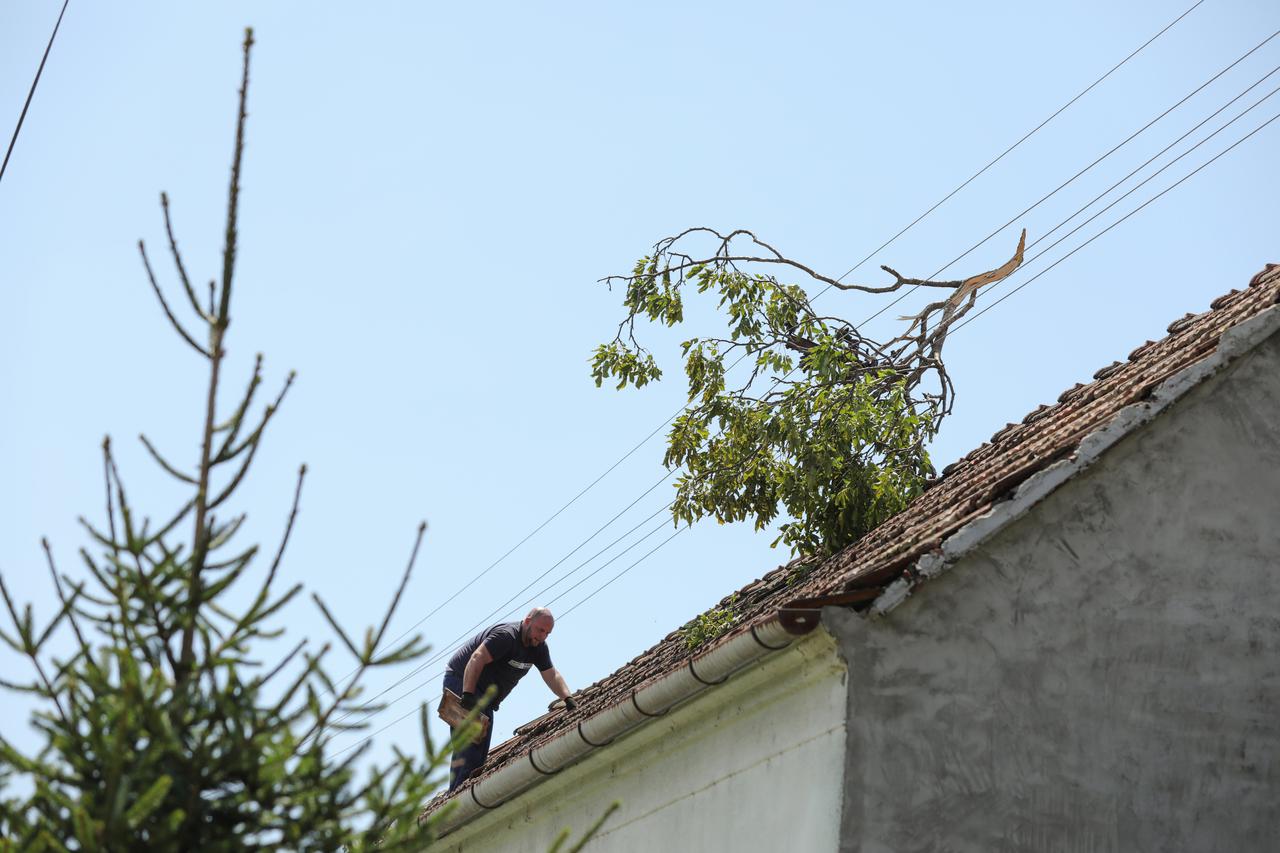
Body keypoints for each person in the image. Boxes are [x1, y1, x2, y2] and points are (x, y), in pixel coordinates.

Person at [442, 607, 575, 791]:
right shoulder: (506, 636)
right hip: (462, 680)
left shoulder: (539, 649)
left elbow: (551, 675)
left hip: (486, 696)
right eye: (540, 630)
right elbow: (477, 658)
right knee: (470, 741)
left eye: (547, 633)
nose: (543, 636)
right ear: (528, 621)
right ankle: (457, 794)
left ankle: (464, 791)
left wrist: (567, 698)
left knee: (480, 750)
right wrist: (467, 694)